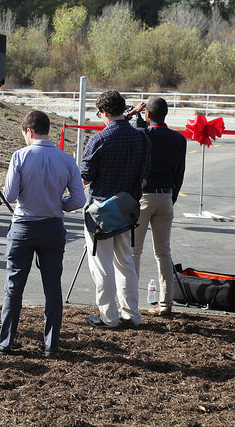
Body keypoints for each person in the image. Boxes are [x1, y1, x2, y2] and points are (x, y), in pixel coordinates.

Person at [0, 111, 85, 357]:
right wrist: (58, 203)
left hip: (24, 227)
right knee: (52, 286)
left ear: (29, 131)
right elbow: (78, 200)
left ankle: (5, 341)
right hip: (52, 227)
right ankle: (51, 344)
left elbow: (10, 195)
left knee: (14, 285)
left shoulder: (20, 156)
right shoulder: (67, 159)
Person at [81, 90, 151, 329]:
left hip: (101, 211)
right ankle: (131, 314)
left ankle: (108, 316)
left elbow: (85, 177)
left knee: (102, 265)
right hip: (128, 209)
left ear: (104, 112)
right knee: (126, 263)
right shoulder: (141, 138)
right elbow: (145, 174)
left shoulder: (98, 140)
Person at [131, 97, 187, 316]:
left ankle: (130, 302)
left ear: (148, 114)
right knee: (163, 252)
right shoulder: (179, 139)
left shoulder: (143, 135)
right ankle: (165, 303)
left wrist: (132, 113)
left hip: (143, 197)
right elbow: (179, 173)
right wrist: (172, 197)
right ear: (166, 114)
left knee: (134, 251)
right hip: (165, 196)